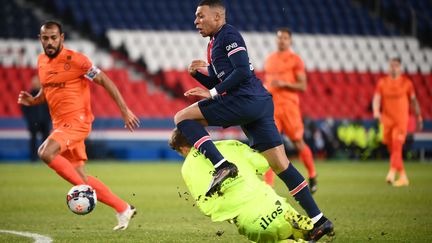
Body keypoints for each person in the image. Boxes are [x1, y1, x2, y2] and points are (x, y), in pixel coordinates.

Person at [174, 0, 333, 240]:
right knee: (281, 165)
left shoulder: (229, 35)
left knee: (182, 118)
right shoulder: (214, 43)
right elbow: (222, 81)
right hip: (257, 103)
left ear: (217, 17)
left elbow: (242, 72)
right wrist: (199, 77)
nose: (196, 21)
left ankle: (222, 166)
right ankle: (319, 220)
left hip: (245, 100)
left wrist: (213, 93)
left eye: (200, 16)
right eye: (196, 17)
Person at [17, 21, 140, 230]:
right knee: (81, 175)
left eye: (53, 37)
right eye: (45, 38)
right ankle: (123, 208)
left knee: (45, 152)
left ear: (62, 38)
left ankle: (82, 190)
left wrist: (124, 110)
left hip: (77, 122)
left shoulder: (77, 60)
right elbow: (48, 90)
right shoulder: (41, 61)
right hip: (61, 125)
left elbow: (105, 80)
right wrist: (34, 100)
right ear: (40, 39)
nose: (49, 42)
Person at [169, 128, 316, 242]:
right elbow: (264, 164)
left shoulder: (188, 168)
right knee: (301, 229)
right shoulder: (228, 144)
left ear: (183, 148)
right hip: (274, 204)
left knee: (275, 239)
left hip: (251, 222)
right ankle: (308, 227)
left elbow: (206, 206)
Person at [263, 28, 317, 192]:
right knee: (269, 144)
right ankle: (268, 186)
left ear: (290, 41)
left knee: (298, 142)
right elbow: (269, 82)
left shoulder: (296, 60)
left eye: (285, 38)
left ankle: (312, 175)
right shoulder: (270, 59)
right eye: (279, 38)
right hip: (273, 107)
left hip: (289, 107)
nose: (282, 41)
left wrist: (285, 84)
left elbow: (303, 85)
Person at [372, 57, 423, 187]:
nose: (393, 68)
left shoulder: (407, 83)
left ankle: (391, 172)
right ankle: (403, 177)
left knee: (396, 145)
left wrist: (419, 117)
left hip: (401, 121)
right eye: (392, 65)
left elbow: (414, 101)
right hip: (387, 121)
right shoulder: (382, 82)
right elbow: (376, 98)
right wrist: (376, 111)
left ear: (400, 68)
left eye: (396, 66)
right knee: (392, 148)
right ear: (389, 67)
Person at [21, 76, 51, 162]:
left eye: (37, 82)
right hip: (33, 122)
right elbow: (24, 109)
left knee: (46, 141)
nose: (36, 84)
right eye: (34, 82)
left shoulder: (46, 95)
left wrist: (48, 118)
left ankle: (45, 159)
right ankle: (33, 158)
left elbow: (50, 108)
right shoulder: (28, 95)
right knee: (33, 140)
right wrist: (30, 119)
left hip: (45, 122)